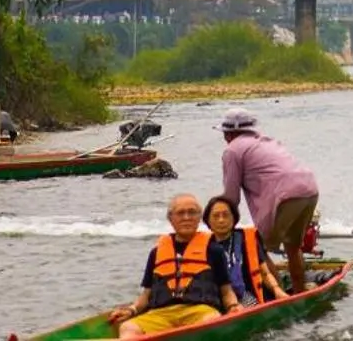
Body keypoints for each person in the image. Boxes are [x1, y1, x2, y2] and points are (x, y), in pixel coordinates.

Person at [108, 194, 239, 336]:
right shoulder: (156, 252)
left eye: (192, 212)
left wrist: (233, 307)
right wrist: (131, 310)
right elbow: (146, 295)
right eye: (180, 213)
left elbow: (226, 290)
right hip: (161, 314)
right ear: (171, 219)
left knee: (210, 320)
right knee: (127, 328)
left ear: (199, 218)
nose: (186, 217)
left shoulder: (214, 250)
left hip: (200, 311)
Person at [218, 108, 320, 290]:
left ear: (229, 133)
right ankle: (299, 290)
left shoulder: (232, 151)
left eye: (225, 134)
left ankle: (279, 294)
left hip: (285, 196)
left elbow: (231, 198)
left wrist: (221, 224)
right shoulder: (267, 141)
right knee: (292, 245)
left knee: (256, 249)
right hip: (309, 189)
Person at [205, 195, 288, 308]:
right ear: (207, 220)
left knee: (249, 305)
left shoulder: (247, 238)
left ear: (234, 217)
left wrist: (277, 290)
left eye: (226, 215)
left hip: (245, 294)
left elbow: (265, 273)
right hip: (217, 297)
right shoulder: (204, 245)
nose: (221, 220)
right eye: (215, 216)